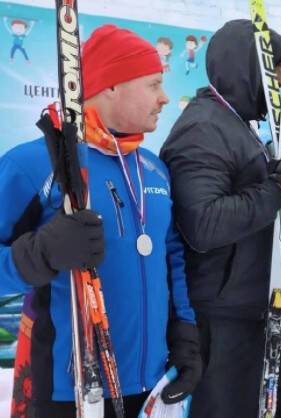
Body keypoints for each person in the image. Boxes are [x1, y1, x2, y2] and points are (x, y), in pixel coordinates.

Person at [0, 25, 201, 417]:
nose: (164, 98)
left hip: (151, 389)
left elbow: (171, 258)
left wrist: (185, 335)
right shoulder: (33, 165)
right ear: (112, 85)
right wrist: (41, 253)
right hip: (67, 391)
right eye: (154, 84)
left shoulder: (154, 169)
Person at [159, 19, 281, 418]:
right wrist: (276, 189)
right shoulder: (203, 128)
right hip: (221, 314)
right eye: (276, 74)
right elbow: (204, 224)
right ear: (251, 70)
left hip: (251, 304)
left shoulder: (235, 126)